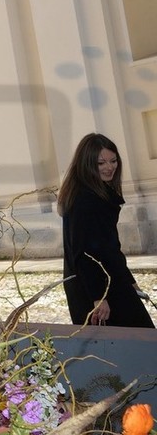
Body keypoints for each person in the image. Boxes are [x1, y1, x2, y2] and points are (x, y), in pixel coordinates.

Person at [58, 133, 153, 327]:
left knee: (137, 338)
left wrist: (130, 282)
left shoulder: (96, 194)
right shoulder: (84, 199)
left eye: (113, 161)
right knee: (132, 339)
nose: (109, 167)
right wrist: (98, 297)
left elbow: (110, 248)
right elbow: (84, 253)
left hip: (109, 282)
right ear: (87, 164)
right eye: (101, 163)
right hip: (97, 288)